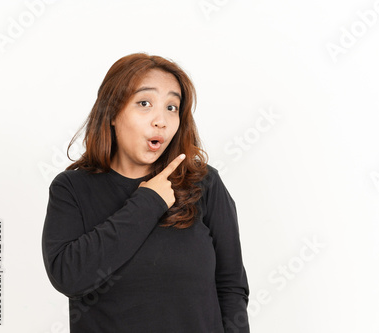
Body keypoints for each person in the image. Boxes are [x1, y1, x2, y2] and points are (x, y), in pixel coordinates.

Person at [41, 53, 250, 332]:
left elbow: (231, 288)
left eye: (172, 107)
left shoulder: (204, 184)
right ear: (113, 112)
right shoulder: (72, 189)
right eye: (144, 103)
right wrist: (148, 202)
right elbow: (68, 277)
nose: (161, 120)